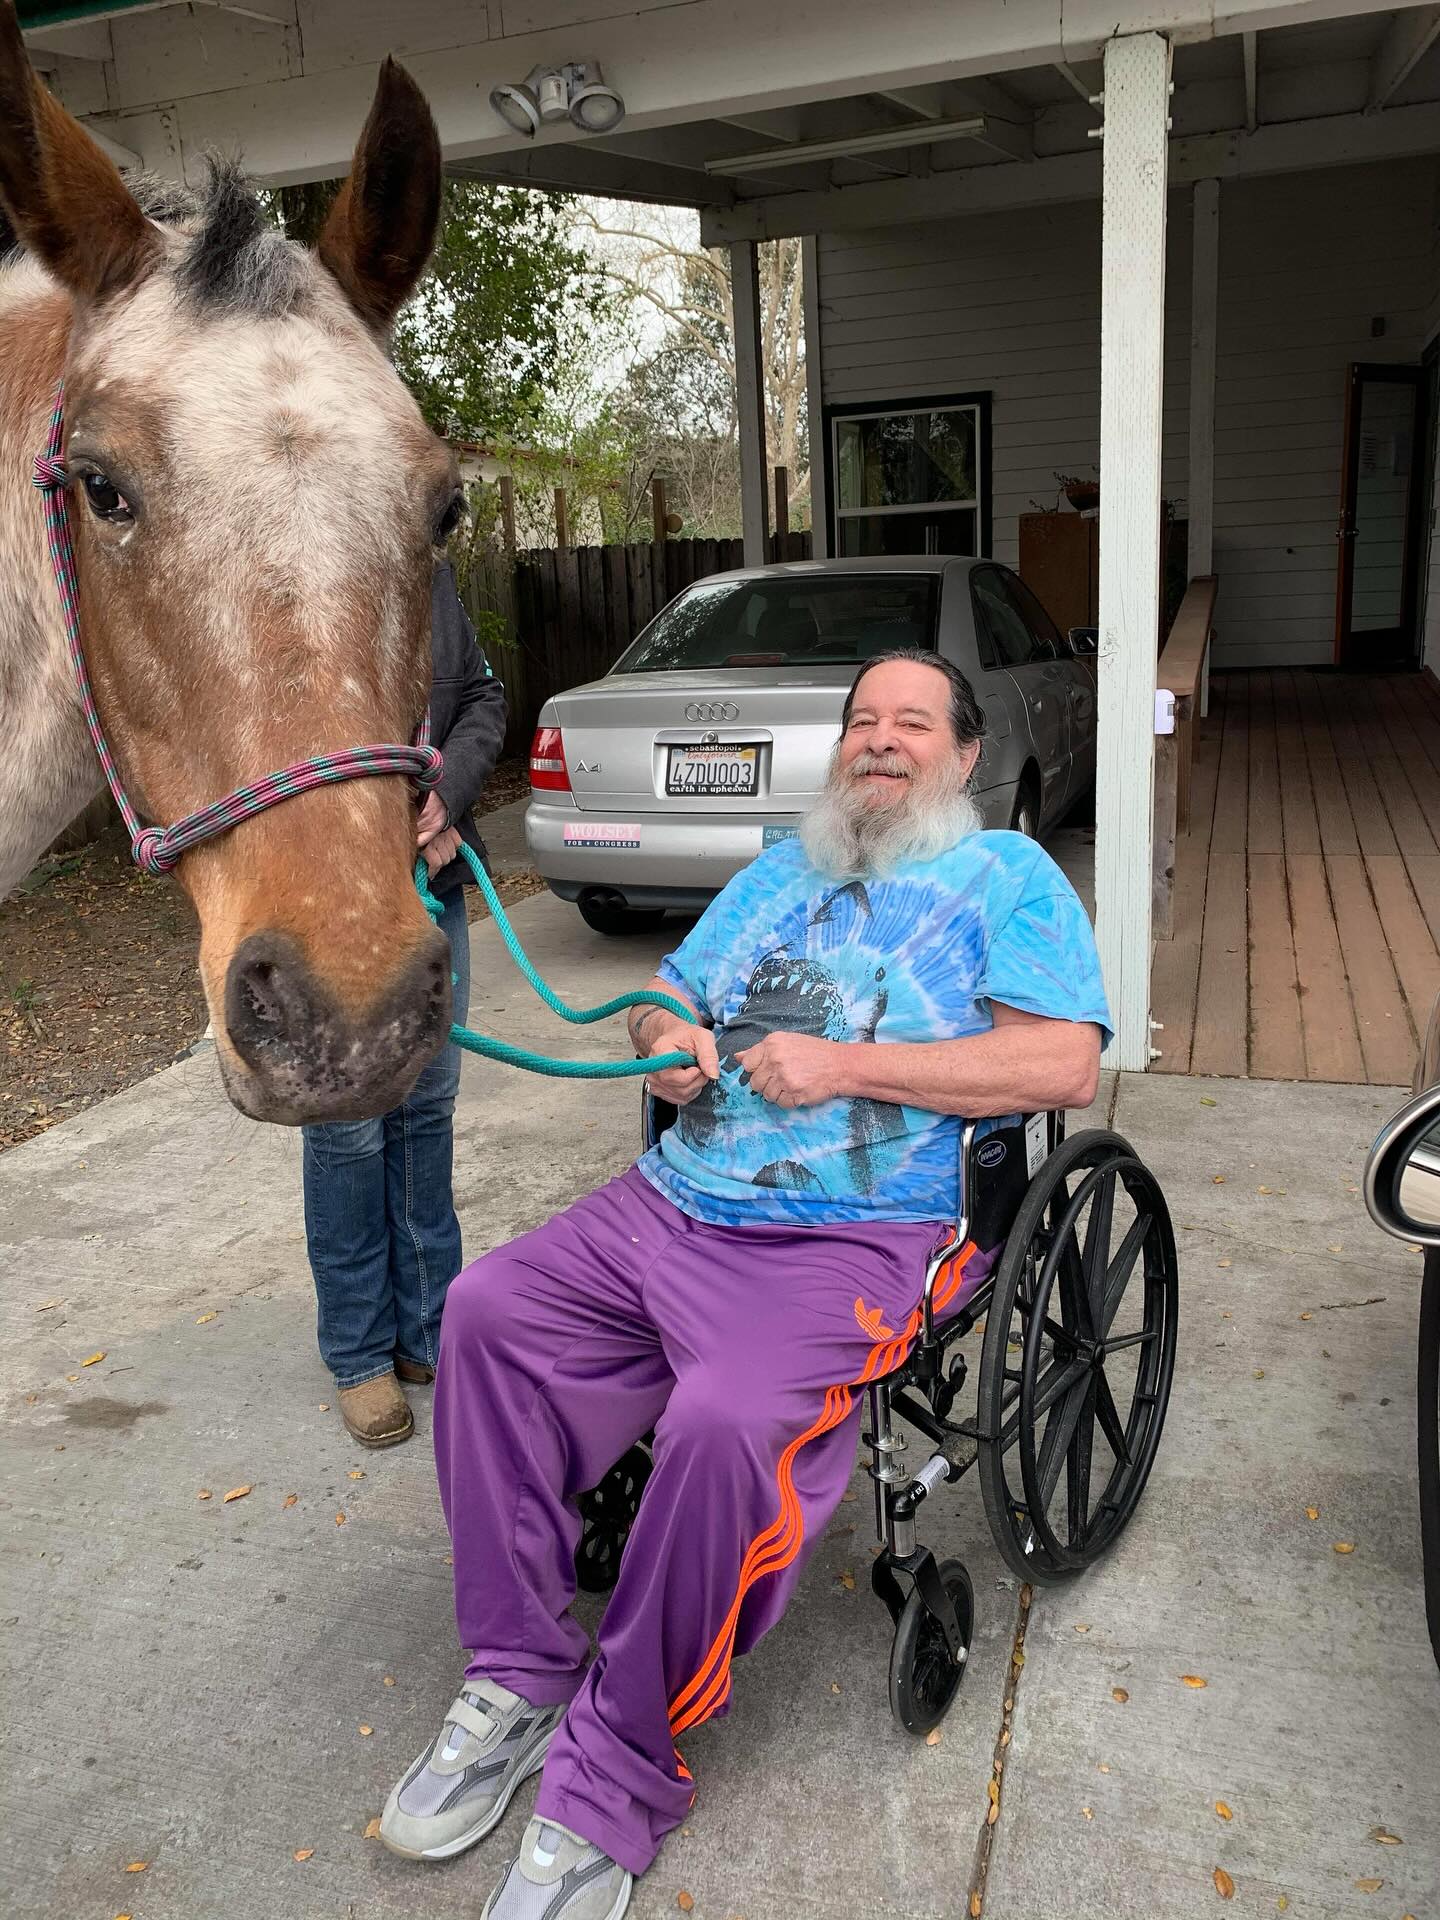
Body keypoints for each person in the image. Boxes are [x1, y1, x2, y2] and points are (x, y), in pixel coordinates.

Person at [380, 649, 1110, 1916]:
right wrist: (665, 1044)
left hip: (859, 1238)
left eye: (912, 723)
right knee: (483, 1313)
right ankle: (519, 1668)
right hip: (672, 1204)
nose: (881, 741)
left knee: (723, 1424)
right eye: (862, 723)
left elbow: (1060, 1068)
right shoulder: (778, 873)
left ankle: (610, 1775)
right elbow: (663, 995)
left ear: (966, 754)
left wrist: (845, 1069)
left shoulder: (1008, 879)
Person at [302, 559, 506, 1448]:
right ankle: (358, 1353)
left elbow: (482, 707)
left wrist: (442, 801)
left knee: (427, 1105)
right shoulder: (281, 579)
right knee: (347, 1119)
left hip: (430, 882)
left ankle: (428, 1329)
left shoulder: (427, 575)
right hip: (322, 893)